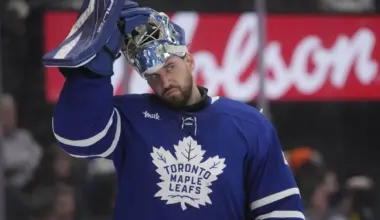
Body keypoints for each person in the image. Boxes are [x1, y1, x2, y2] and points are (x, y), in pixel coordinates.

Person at [42, 1, 304, 219]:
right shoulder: (132, 117)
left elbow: (281, 212)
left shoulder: (249, 124)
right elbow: (75, 136)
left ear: (189, 60)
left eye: (169, 67)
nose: (164, 82)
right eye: (152, 76)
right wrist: (93, 66)